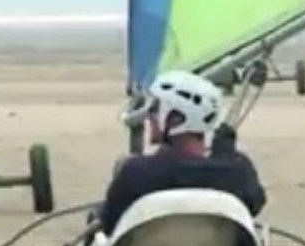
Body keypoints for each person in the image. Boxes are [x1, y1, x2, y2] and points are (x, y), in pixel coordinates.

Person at [99, 70, 266, 236]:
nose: (149, 115)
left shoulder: (137, 173)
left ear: (176, 119)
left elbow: (109, 224)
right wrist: (225, 151)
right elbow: (255, 204)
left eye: (155, 108)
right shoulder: (239, 173)